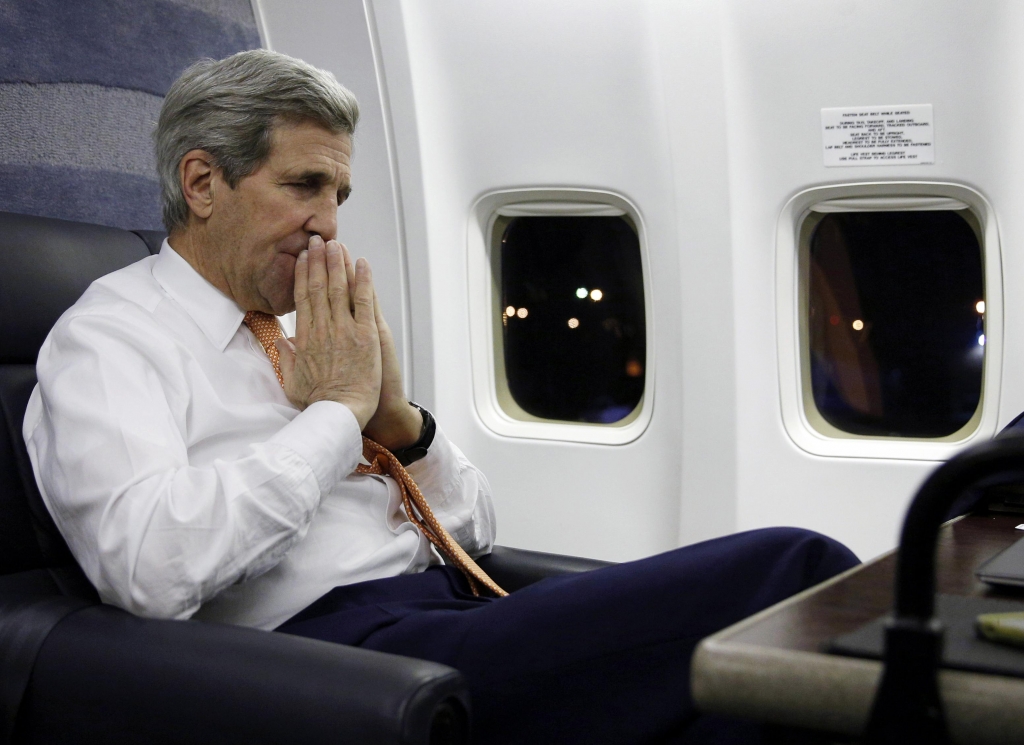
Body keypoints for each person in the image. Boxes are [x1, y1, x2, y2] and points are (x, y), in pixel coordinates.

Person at [23, 49, 859, 744]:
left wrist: (401, 426)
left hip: (449, 607)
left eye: (338, 196)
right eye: (304, 185)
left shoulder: (311, 326)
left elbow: (475, 531)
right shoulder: (112, 338)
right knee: (796, 569)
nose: (328, 224)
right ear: (202, 183)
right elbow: (150, 570)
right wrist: (333, 418)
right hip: (334, 655)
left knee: (742, 712)